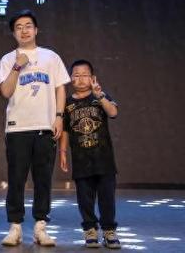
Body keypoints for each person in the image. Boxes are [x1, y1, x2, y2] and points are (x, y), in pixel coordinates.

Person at [0, 9, 70, 247]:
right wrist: (17, 67)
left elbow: (60, 88)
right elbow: (5, 92)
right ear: (13, 33)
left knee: (43, 180)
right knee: (16, 179)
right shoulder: (7, 59)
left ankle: (40, 227)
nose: (24, 30)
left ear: (36, 30)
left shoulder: (51, 57)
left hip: (45, 126)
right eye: (18, 27)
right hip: (17, 127)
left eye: (28, 26)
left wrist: (59, 117)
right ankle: (15, 227)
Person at [59, 60, 121, 249]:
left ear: (92, 77)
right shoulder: (67, 103)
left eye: (85, 75)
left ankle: (109, 231)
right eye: (76, 75)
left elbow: (113, 112)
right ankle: (90, 230)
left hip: (104, 159)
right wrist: (62, 151)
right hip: (81, 160)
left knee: (107, 197)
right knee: (85, 199)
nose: (80, 78)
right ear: (70, 78)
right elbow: (65, 130)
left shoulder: (100, 96)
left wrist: (100, 95)